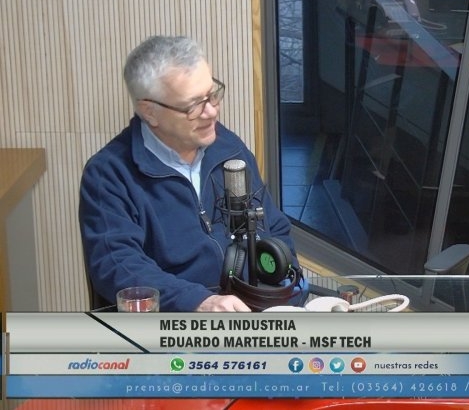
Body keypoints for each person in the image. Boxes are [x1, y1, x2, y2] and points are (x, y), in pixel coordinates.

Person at [79, 35, 305, 312]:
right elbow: (117, 265)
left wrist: (285, 289)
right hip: (175, 320)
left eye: (212, 95)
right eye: (193, 105)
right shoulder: (109, 174)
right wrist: (198, 302)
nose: (211, 112)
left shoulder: (229, 149)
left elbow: (274, 227)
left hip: (251, 310)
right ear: (149, 112)